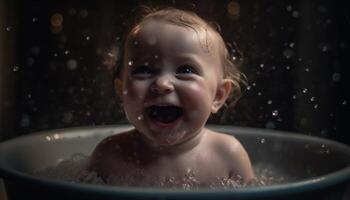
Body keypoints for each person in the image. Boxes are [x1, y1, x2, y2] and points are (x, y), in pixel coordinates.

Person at [80, 7, 255, 188]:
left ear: (218, 95)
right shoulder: (109, 155)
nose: (162, 84)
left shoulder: (227, 155)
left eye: (186, 70)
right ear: (121, 90)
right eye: (144, 70)